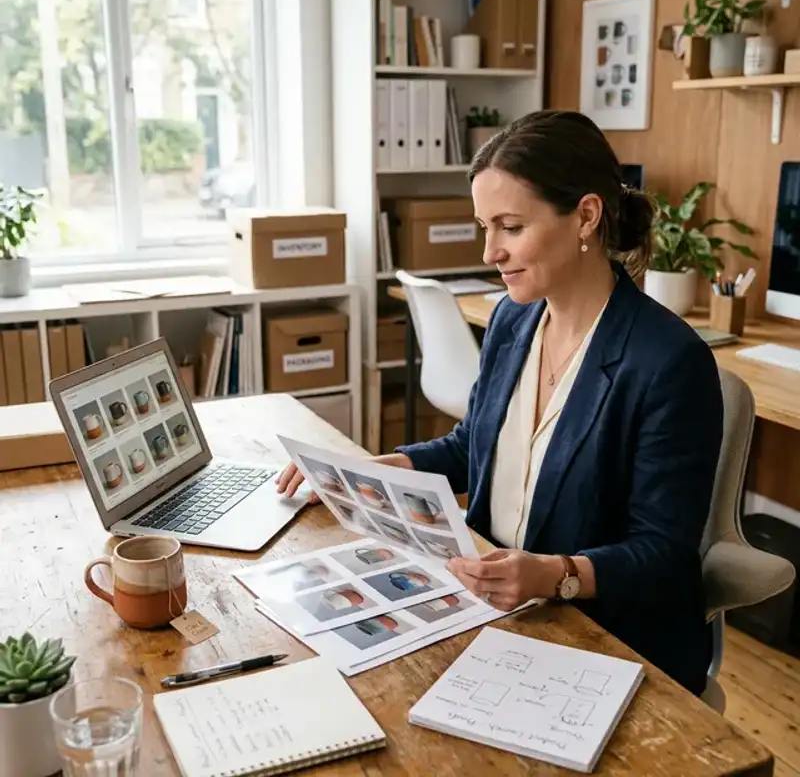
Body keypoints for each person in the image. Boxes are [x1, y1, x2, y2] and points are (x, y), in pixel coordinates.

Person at [277, 109, 724, 697]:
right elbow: (473, 444)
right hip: (497, 607)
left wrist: (556, 575)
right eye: (484, 227)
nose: (490, 251)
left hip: (607, 635)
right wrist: (383, 470)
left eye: (510, 227)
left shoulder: (669, 361)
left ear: (586, 216)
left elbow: (664, 555)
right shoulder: (514, 319)